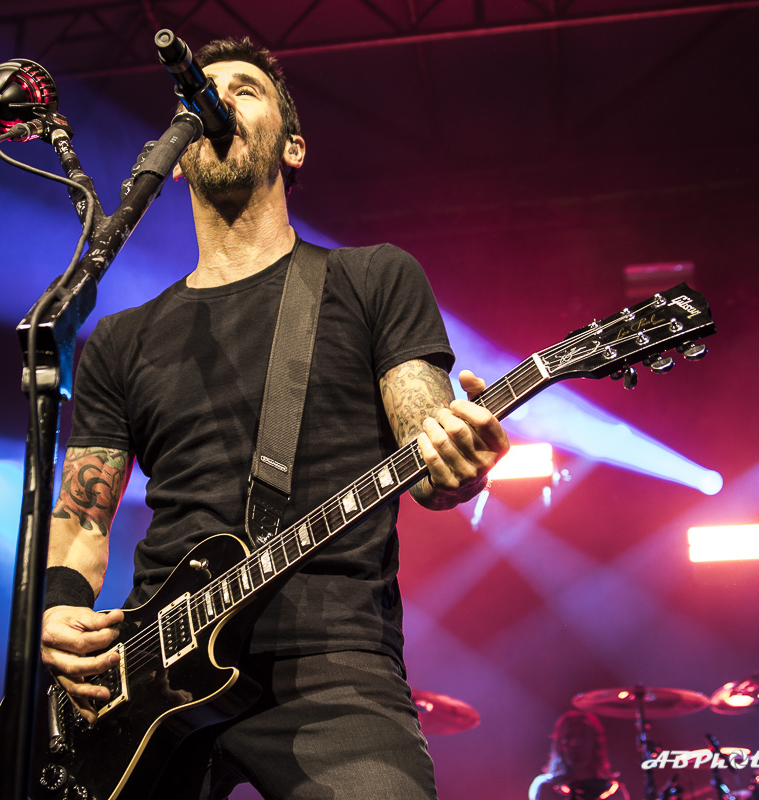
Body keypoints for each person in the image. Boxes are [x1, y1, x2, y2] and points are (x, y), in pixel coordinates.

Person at [39, 37, 510, 800]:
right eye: (201, 93)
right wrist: (59, 610)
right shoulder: (122, 339)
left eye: (245, 89)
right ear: (176, 157)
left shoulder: (371, 277)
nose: (216, 99)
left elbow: (426, 441)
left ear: (294, 146)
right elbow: (82, 518)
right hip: (149, 676)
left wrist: (455, 458)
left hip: (331, 663)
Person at [529, 711, 632, 800]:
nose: (575, 743)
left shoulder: (613, 792)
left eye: (582, 736)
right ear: (560, 744)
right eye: (569, 736)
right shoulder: (546, 787)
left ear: (595, 742)